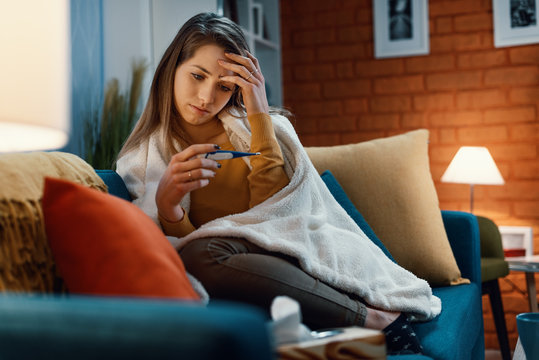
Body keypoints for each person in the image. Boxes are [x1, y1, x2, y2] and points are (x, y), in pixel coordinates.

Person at [116, 12, 440, 355]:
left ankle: (359, 320)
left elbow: (283, 217)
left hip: (287, 257)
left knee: (206, 254)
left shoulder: (267, 130)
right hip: (230, 274)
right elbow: (171, 257)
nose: (206, 97)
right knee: (202, 255)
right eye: (197, 76)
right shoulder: (143, 158)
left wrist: (259, 115)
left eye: (225, 87)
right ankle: (362, 323)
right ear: (172, 70)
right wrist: (168, 208)